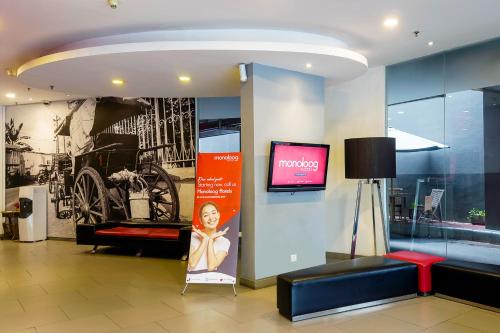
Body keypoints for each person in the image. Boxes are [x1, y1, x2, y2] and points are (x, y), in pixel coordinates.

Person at [188, 202, 230, 272]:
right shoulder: (193, 236)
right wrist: (204, 240)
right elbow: (192, 264)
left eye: (213, 213)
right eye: (206, 215)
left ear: (218, 215)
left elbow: (211, 267)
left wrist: (210, 240)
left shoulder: (225, 241)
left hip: (212, 278)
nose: (211, 218)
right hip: (193, 277)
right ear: (201, 220)